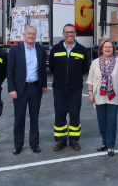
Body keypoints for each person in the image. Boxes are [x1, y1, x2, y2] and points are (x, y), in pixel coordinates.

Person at [7, 26, 47, 155]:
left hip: (35, 88)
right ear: (23, 35)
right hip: (20, 89)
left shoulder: (40, 49)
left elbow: (42, 69)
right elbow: (10, 71)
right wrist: (12, 89)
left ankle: (34, 143)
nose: (31, 36)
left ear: (36, 36)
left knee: (34, 117)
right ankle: (18, 144)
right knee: (19, 118)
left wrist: (44, 85)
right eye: (29, 33)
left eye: (33, 34)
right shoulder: (15, 49)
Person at [49, 23, 89, 151]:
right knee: (60, 113)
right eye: (67, 32)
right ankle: (61, 140)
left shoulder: (82, 50)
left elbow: (84, 68)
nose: (69, 34)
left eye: (72, 32)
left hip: (75, 88)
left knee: (74, 113)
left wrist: (73, 78)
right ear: (63, 34)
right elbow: (52, 67)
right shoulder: (55, 49)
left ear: (75, 34)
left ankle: (74, 140)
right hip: (59, 88)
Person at [86, 40, 118, 156]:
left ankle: (111, 145)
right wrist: (90, 94)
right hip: (99, 96)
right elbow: (90, 79)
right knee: (102, 121)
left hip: (113, 97)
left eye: (110, 47)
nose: (108, 49)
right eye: (105, 47)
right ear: (101, 49)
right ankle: (104, 142)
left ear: (113, 49)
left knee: (111, 121)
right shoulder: (95, 62)